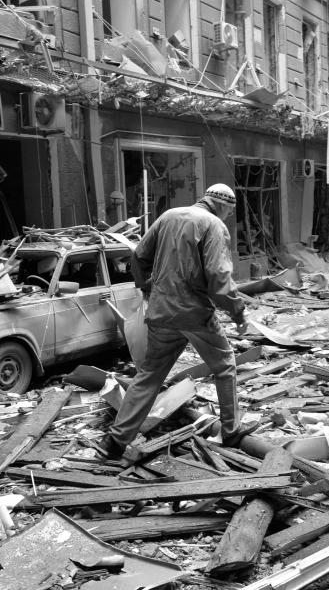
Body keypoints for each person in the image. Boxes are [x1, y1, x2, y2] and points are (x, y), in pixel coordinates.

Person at [101, 183, 257, 463]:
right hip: (194, 313)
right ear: (224, 206)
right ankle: (231, 430)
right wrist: (239, 313)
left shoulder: (168, 216)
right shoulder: (213, 224)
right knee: (224, 366)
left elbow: (138, 257)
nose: (228, 218)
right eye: (230, 213)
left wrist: (147, 286)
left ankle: (114, 442)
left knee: (149, 375)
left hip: (161, 312)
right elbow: (218, 275)